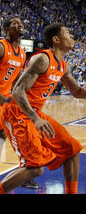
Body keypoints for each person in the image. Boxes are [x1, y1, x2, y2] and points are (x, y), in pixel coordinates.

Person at [0, 23, 86, 194]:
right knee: (35, 168)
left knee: (72, 149)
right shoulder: (42, 59)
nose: (72, 36)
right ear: (56, 39)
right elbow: (17, 91)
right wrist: (35, 118)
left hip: (34, 113)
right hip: (17, 113)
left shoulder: (62, 65)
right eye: (67, 33)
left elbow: (78, 91)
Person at [0, 16, 39, 189]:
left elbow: (15, 81)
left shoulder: (22, 53)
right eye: (15, 23)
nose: (20, 24)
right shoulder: (2, 47)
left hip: (6, 101)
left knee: (7, 134)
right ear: (6, 29)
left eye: (21, 22)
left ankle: (25, 172)